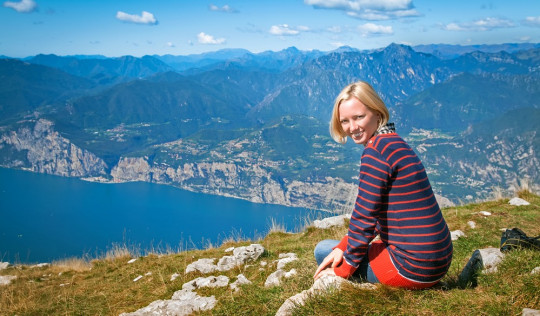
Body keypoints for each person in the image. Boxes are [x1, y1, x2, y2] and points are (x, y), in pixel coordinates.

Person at [313, 81, 453, 289]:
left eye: (359, 117)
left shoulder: (375, 152)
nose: (352, 128)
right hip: (439, 260)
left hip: (412, 267)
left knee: (323, 250)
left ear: (377, 114)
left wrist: (343, 270)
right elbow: (381, 213)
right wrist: (344, 245)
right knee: (339, 247)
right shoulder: (395, 142)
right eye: (345, 121)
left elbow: (365, 216)